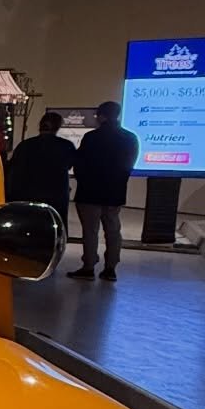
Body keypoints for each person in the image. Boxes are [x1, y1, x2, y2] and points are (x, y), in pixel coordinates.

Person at [68, 99, 139, 283]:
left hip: (90, 192)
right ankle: (110, 268)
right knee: (113, 231)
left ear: (101, 116)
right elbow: (129, 165)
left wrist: (82, 180)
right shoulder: (130, 138)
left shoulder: (92, 137)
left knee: (90, 232)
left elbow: (80, 163)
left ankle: (89, 266)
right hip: (114, 192)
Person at [5, 111, 77, 227]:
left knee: (30, 226)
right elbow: (69, 165)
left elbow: (15, 169)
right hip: (56, 193)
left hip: (28, 193)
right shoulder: (66, 146)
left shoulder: (26, 145)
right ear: (58, 127)